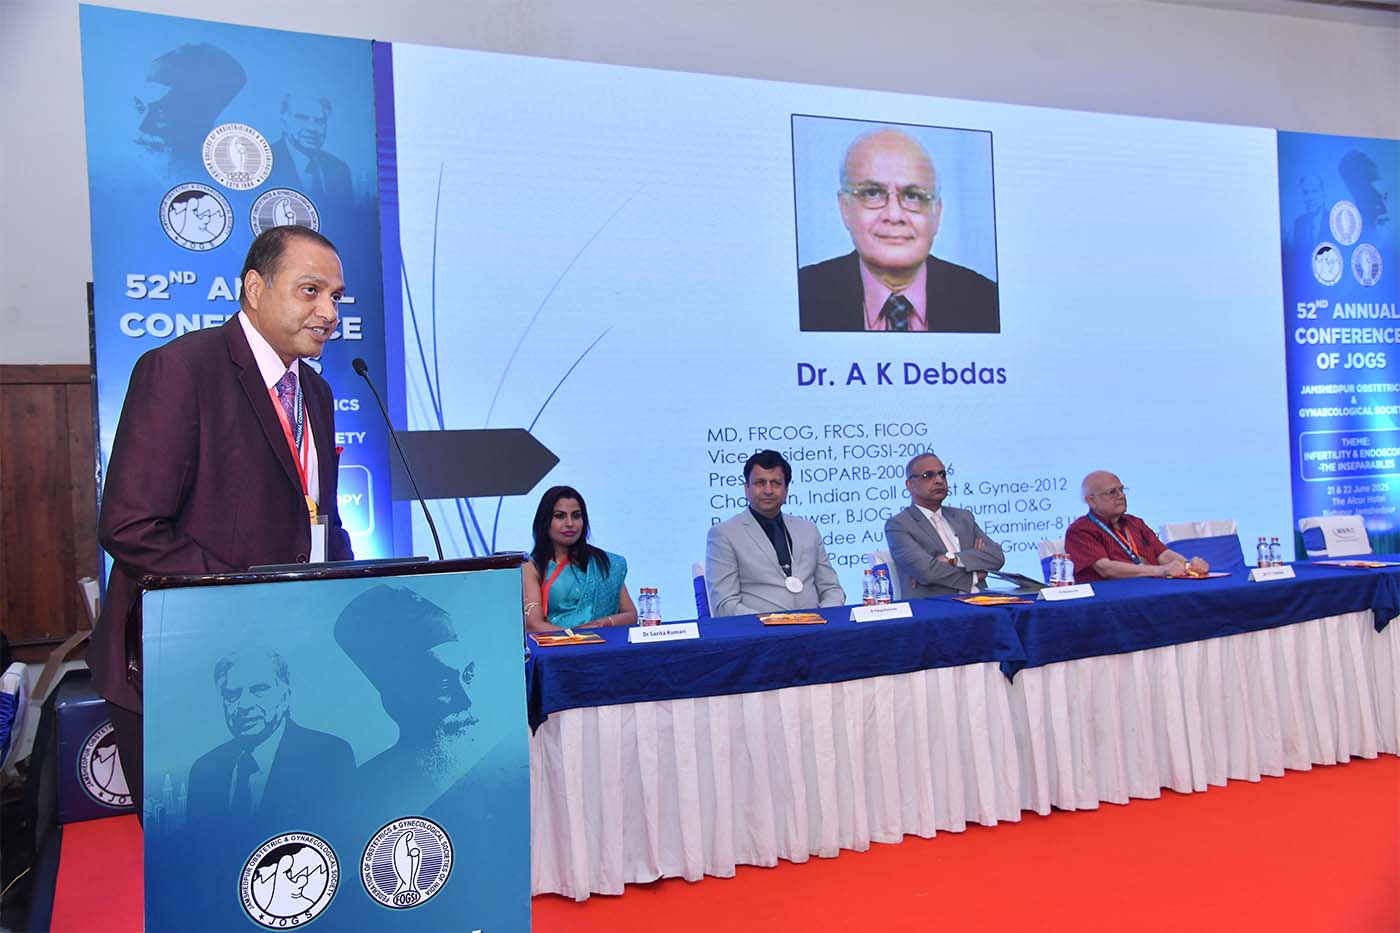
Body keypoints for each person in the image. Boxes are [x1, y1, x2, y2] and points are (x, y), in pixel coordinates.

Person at [93, 225, 354, 817]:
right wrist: (246, 600)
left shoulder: (315, 393)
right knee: (199, 854)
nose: (328, 312)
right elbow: (130, 526)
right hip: (183, 663)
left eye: (336, 297)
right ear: (255, 289)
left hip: (286, 659)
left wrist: (343, 595)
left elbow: (321, 518)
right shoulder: (180, 370)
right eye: (310, 291)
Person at [798, 127, 999, 333]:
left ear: (936, 213)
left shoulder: (988, 301)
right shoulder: (802, 294)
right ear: (845, 208)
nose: (894, 215)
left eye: (913, 196)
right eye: (873, 193)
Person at [335, 585, 481, 813]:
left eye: (468, 675)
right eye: (443, 685)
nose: (466, 701)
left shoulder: (507, 759)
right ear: (395, 701)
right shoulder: (365, 797)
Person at [185, 649, 354, 829]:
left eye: (259, 690)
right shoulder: (204, 770)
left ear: (285, 696)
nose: (244, 705)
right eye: (232, 695)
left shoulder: (329, 756)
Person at [706, 450, 846, 616]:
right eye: (760, 483)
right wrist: (769, 622)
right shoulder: (724, 534)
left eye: (776, 483)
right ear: (746, 488)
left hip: (817, 626)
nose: (768, 490)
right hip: (760, 629)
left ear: (786, 490)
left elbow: (832, 589)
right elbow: (724, 604)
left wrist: (824, 617)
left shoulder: (808, 529)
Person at [884, 453, 1005, 596]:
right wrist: (974, 574)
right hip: (937, 605)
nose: (939, 480)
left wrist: (951, 559)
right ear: (909, 485)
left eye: (942, 474)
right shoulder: (899, 525)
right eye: (928, 475)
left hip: (982, 600)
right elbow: (928, 572)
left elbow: (996, 556)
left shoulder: (963, 517)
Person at [521, 486, 636, 632]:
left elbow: (631, 615)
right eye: (560, 516)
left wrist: (602, 624)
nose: (570, 523)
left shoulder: (603, 562)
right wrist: (575, 638)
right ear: (544, 521)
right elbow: (533, 624)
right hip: (557, 644)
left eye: (576, 516)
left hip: (603, 642)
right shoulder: (532, 566)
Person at [1065, 471, 1209, 583]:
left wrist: (1189, 566)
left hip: (1152, 588)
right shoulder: (1080, 530)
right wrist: (1161, 571)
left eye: (1121, 490)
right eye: (1112, 492)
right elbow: (1106, 569)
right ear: (1091, 500)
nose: (1121, 496)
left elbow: (1163, 554)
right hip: (1114, 597)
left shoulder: (1135, 522)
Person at [266, 93, 353, 203]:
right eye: (302, 118)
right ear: (284, 123)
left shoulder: (339, 169)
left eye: (319, 121)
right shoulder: (263, 163)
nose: (312, 128)